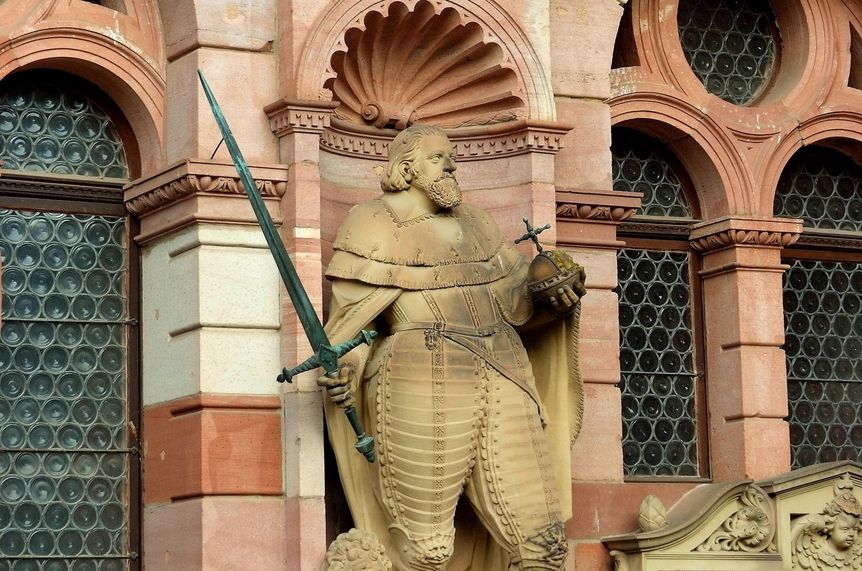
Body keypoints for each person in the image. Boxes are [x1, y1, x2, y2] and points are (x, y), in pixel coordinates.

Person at [320, 124, 585, 570]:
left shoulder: (477, 222)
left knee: (544, 540)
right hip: (419, 376)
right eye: (438, 157)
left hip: (504, 370)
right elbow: (351, 321)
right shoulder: (370, 222)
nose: (452, 164)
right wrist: (344, 367)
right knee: (424, 549)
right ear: (406, 168)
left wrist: (553, 289)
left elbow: (515, 301)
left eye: (452, 156)